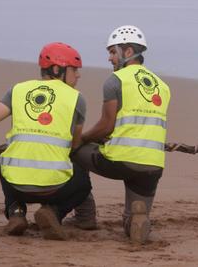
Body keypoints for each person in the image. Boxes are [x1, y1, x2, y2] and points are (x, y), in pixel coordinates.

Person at [0, 42, 91, 240]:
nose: (78, 75)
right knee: (83, 181)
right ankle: (53, 212)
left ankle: (16, 213)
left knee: (5, 160)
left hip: (16, 185)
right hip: (54, 189)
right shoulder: (76, 99)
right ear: (57, 69)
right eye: (74, 69)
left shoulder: (18, 90)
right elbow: (75, 145)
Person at [71, 25, 171, 244]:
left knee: (73, 152)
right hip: (152, 166)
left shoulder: (115, 80)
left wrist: (83, 139)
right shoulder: (162, 86)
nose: (109, 58)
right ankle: (135, 219)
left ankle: (85, 214)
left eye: (112, 52)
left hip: (121, 160)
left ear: (127, 52)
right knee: (132, 219)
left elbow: (107, 126)